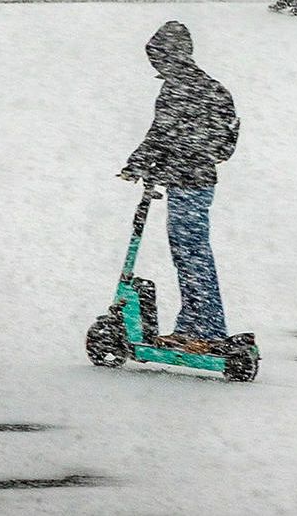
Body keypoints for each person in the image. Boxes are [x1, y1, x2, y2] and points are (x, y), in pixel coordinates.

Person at [118, 21, 241, 354]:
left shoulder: (184, 89)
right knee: (188, 256)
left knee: (193, 256)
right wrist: (145, 162)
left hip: (190, 183)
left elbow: (164, 134)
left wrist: (148, 161)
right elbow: (174, 136)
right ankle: (191, 326)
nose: (157, 66)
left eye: (159, 58)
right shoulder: (206, 88)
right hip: (190, 181)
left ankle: (210, 330)